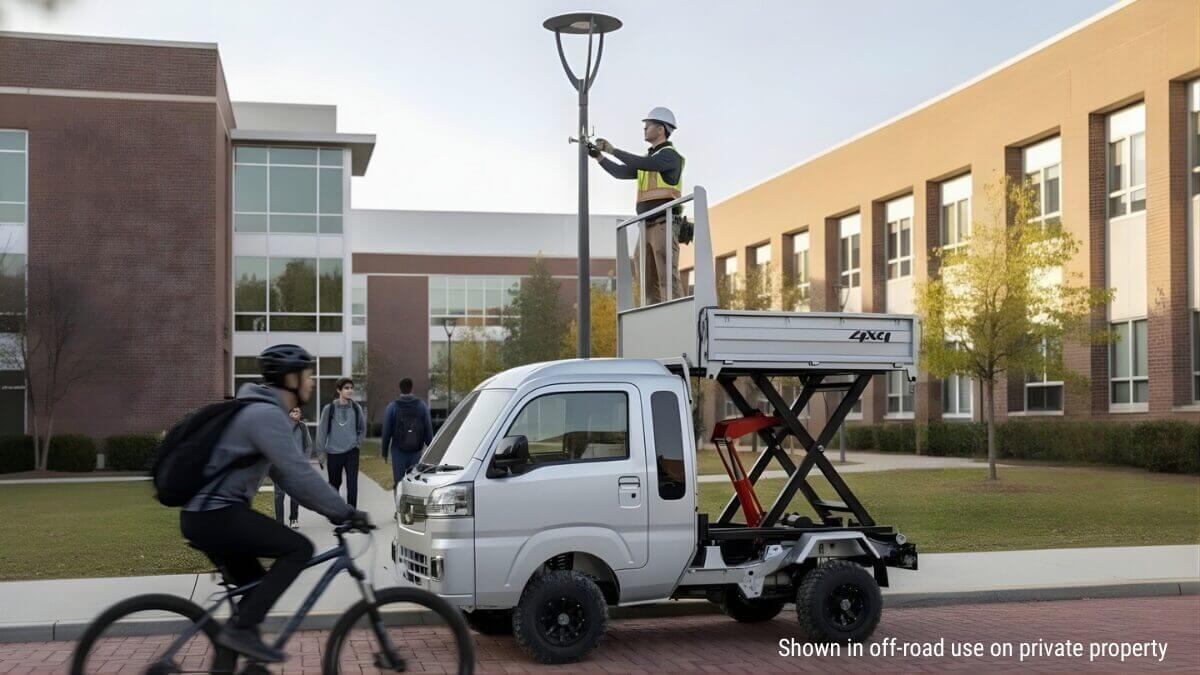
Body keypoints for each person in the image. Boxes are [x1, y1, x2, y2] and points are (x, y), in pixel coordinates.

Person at [181, 344, 369, 664]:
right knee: (299, 549)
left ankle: (238, 655)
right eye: (308, 376)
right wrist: (345, 512)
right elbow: (298, 474)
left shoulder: (261, 411)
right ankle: (240, 635)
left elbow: (286, 477)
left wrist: (333, 509)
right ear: (291, 379)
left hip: (208, 515)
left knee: (254, 598)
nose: (311, 383)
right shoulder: (265, 415)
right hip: (216, 514)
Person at [592, 106, 686, 304]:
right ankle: (654, 322)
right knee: (645, 283)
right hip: (646, 226)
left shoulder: (669, 156)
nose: (644, 129)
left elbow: (642, 163)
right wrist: (599, 157)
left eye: (648, 125)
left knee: (667, 280)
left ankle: (678, 320)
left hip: (664, 224)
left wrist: (612, 150)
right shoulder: (648, 160)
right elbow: (620, 172)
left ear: (661, 129)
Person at [316, 377, 366, 509]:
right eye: (346, 388)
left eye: (351, 388)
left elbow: (362, 429)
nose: (350, 391)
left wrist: (358, 443)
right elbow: (322, 433)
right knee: (334, 484)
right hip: (334, 453)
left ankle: (351, 513)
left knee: (352, 484)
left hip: (352, 452)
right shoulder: (329, 409)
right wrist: (321, 455)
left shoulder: (356, 408)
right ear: (339, 390)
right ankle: (336, 511)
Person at [272, 407, 323, 529]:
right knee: (279, 494)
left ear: (300, 414)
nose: (296, 413)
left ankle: (293, 519)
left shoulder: (303, 427)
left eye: (298, 411)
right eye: (293, 411)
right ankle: (279, 522)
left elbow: (309, 445)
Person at [381, 378, 434, 485]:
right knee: (415, 481)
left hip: (398, 451)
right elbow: (428, 428)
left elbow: (386, 431)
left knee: (399, 482)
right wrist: (431, 448)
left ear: (400, 389)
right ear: (411, 388)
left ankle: (399, 501)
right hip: (416, 450)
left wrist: (384, 452)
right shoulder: (422, 405)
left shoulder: (392, 407)